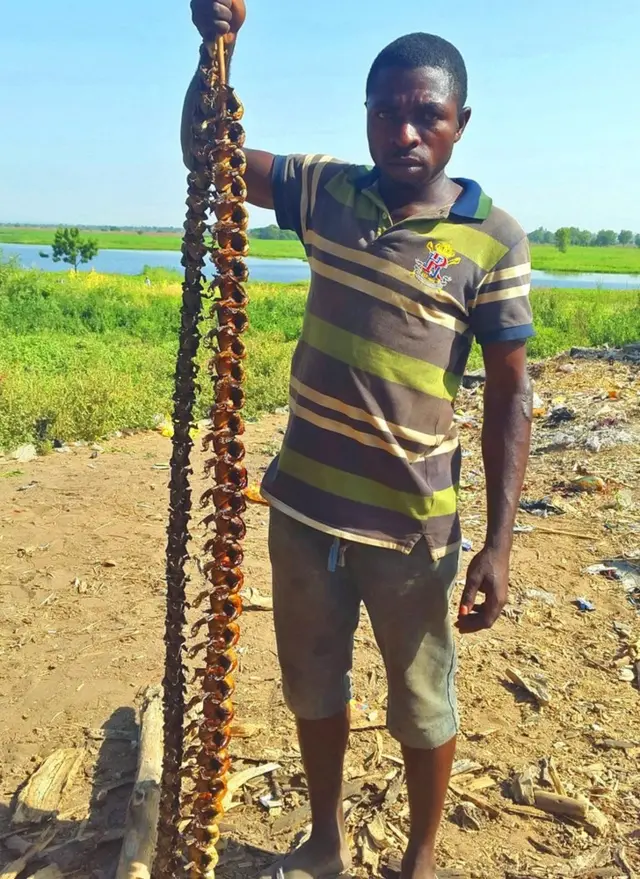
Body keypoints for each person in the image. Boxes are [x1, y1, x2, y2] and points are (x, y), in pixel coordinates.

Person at [184, 3, 534, 878]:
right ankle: (326, 841)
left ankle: (419, 857)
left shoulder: (494, 242)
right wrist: (212, 49)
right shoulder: (327, 190)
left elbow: (511, 399)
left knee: (421, 703)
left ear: (461, 124)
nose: (405, 131)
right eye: (387, 111)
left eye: (428, 115)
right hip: (302, 505)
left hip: (412, 528)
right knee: (313, 682)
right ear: (366, 111)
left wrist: (497, 542)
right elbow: (209, 154)